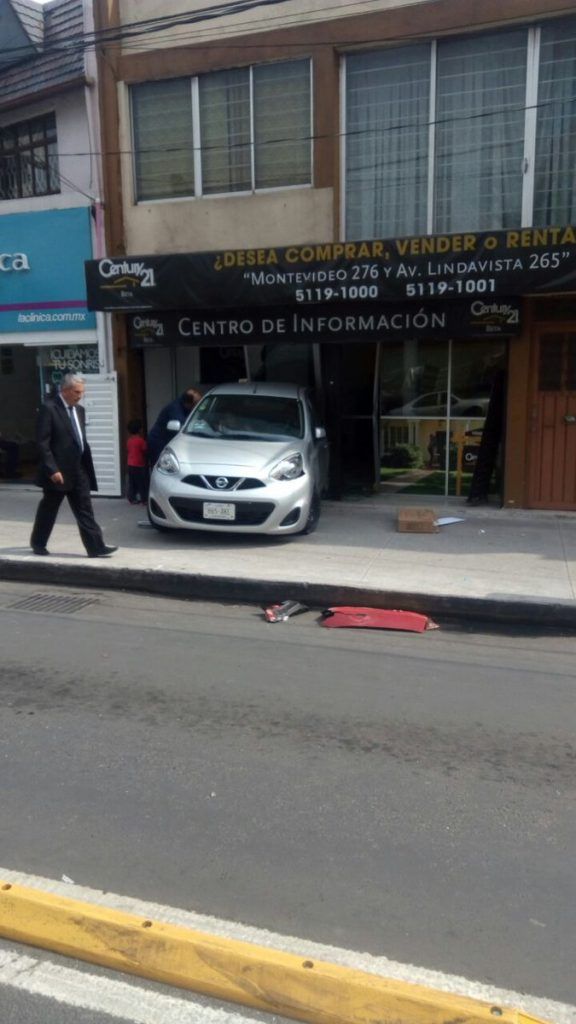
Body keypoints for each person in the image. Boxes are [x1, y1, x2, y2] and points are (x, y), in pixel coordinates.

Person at [30, 373, 118, 558]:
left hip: (78, 468)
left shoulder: (79, 410)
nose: (80, 396)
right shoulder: (49, 408)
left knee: (84, 508)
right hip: (58, 471)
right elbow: (42, 443)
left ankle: (96, 547)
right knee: (49, 508)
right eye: (77, 392)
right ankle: (38, 543)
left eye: (82, 392)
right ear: (66, 390)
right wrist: (52, 469)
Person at [147, 387, 202, 466]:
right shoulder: (175, 409)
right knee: (161, 466)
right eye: (196, 404)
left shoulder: (186, 407)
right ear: (188, 404)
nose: (196, 407)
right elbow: (182, 427)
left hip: (168, 440)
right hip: (159, 442)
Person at [126, 418, 148, 504]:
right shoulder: (141, 441)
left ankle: (132, 498)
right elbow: (145, 451)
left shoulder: (129, 441)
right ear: (140, 430)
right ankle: (144, 499)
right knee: (141, 483)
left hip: (130, 464)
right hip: (139, 465)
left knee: (132, 482)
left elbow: (128, 450)